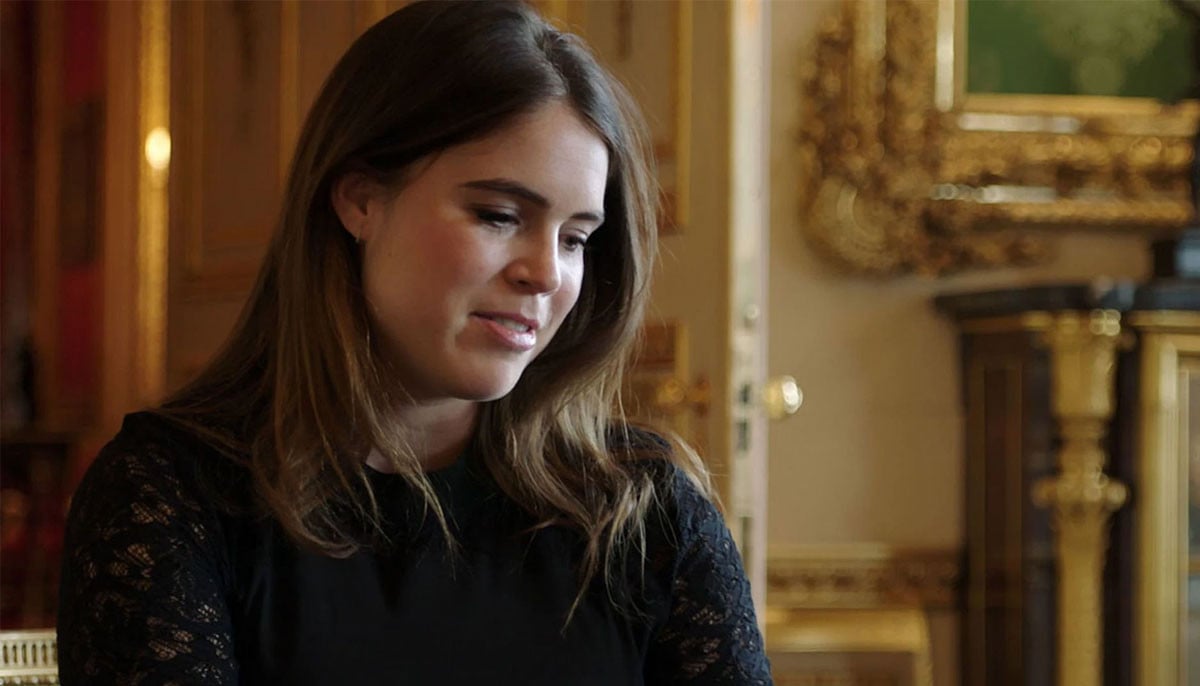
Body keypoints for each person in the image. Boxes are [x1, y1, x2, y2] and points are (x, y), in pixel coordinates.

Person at [57, 1, 772, 683]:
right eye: (498, 215)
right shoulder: (166, 496)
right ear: (360, 199)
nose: (547, 273)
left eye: (576, 238)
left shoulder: (649, 515)